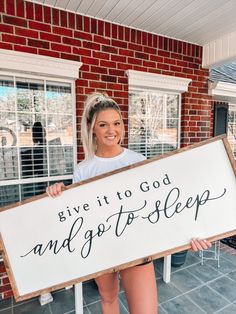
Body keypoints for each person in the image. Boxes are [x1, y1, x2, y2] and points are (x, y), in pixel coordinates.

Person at [46, 92, 212, 314]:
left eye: (116, 123)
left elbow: (162, 207)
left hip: (137, 246)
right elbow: (78, 215)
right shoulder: (83, 170)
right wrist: (58, 194)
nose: (111, 130)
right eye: (103, 124)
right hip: (101, 246)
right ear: (92, 128)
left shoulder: (137, 161)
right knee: (108, 300)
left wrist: (189, 232)